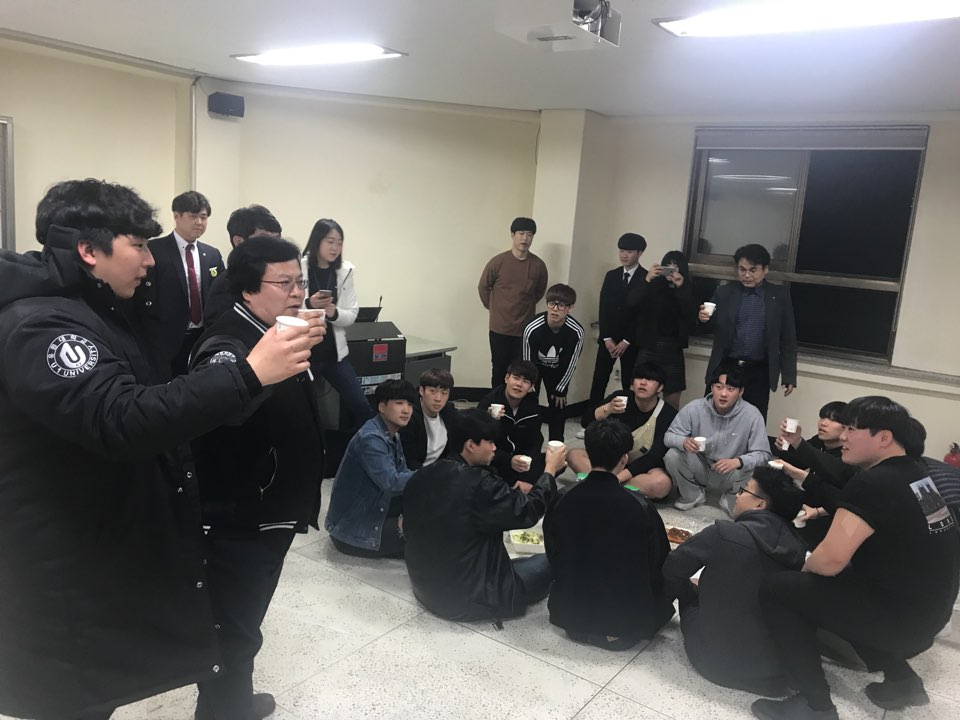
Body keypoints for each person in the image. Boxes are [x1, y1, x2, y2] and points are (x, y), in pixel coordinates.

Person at [0, 179, 313, 720]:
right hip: (58, 550)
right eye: (140, 246)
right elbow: (121, 417)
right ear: (88, 250)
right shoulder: (43, 323)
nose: (151, 260)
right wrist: (249, 374)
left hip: (93, 531)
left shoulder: (98, 307)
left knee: (94, 684)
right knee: (71, 689)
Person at [753, 397, 960, 720]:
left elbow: (829, 561)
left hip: (902, 621)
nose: (843, 436)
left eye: (851, 429)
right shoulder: (917, 472)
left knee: (779, 590)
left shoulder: (874, 482)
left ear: (884, 437)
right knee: (844, 588)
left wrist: (801, 574)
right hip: (930, 614)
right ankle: (902, 682)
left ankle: (814, 706)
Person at [188, 236, 326, 720]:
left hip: (272, 510)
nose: (297, 292)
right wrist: (261, 373)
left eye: (300, 281)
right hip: (241, 517)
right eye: (284, 283)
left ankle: (233, 703)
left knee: (244, 620)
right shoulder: (227, 342)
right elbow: (215, 405)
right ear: (248, 289)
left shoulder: (275, 331)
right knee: (234, 626)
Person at [402, 409, 565, 621]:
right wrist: (550, 470)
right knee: (554, 559)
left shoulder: (424, 474)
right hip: (470, 598)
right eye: (490, 442)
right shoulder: (481, 484)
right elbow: (528, 511)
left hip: (426, 587)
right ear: (470, 445)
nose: (494, 448)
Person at [663, 467, 806, 696]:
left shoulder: (724, 533)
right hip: (770, 672)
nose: (737, 496)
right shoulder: (798, 548)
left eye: (743, 490)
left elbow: (672, 569)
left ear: (760, 504)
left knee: (688, 591)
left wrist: (692, 594)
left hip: (714, 663)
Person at [544, 418, 674, 650]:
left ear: (589, 454)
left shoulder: (563, 497)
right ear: (624, 459)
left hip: (571, 619)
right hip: (625, 628)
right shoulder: (640, 506)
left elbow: (553, 552)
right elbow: (659, 561)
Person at [698, 243, 798, 421]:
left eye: (753, 270)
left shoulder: (779, 295)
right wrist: (703, 319)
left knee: (754, 419)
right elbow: (708, 327)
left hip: (759, 369)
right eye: (742, 269)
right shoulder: (725, 292)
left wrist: (789, 375)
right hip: (726, 365)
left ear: (765, 269)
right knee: (713, 417)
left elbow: (788, 338)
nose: (746, 275)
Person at [325, 379, 418, 558]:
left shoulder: (392, 435)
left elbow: (403, 473)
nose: (406, 410)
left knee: (431, 510)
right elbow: (392, 483)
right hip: (353, 532)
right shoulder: (371, 438)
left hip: (373, 509)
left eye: (409, 404)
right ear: (382, 407)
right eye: (399, 403)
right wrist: (430, 474)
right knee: (427, 531)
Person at [137, 190, 224, 378]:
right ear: (176, 216)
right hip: (165, 339)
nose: (199, 222)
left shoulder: (212, 255)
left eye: (204, 217)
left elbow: (220, 294)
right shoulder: (154, 250)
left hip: (203, 337)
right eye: (193, 216)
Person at [663, 365, 771, 513]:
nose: (723, 394)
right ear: (711, 387)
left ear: (741, 391)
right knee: (672, 455)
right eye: (719, 387)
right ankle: (692, 495)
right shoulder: (694, 408)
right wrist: (684, 442)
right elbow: (669, 436)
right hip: (701, 465)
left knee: (753, 466)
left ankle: (731, 497)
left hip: (731, 472)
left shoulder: (752, 415)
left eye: (730, 389)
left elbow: (764, 454)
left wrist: (739, 461)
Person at [301, 217, 373, 427]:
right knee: (304, 411)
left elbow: (351, 315)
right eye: (330, 241)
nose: (335, 248)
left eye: (339, 243)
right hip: (305, 355)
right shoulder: (298, 267)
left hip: (335, 355)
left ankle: (366, 444)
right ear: (317, 240)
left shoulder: (345, 271)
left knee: (361, 405)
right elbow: (285, 311)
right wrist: (309, 303)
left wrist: (333, 313)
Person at [567, 362, 676, 499]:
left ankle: (600, 484)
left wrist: (616, 478)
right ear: (632, 384)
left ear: (660, 387)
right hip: (611, 460)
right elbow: (586, 422)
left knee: (662, 483)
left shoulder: (667, 414)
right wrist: (607, 409)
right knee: (573, 455)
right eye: (639, 378)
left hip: (641, 468)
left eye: (650, 379)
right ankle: (620, 489)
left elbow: (654, 457)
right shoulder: (620, 398)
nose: (643, 383)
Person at [582, 233, 648, 436]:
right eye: (621, 251)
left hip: (631, 342)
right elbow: (603, 307)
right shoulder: (611, 275)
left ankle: (626, 426)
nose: (624, 255)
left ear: (639, 253)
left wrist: (627, 341)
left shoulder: (646, 277)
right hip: (608, 339)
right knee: (599, 380)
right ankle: (590, 424)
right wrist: (606, 337)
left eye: (629, 251)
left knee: (630, 383)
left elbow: (643, 314)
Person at [478, 217, 549, 387]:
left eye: (529, 234)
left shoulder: (538, 265)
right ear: (512, 235)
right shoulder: (498, 262)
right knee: (499, 369)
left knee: (521, 372)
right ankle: (497, 402)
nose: (525, 238)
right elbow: (483, 287)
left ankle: (516, 403)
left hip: (525, 329)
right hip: (499, 328)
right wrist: (494, 308)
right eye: (521, 233)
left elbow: (539, 292)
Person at [631, 249, 699, 410]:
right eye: (668, 265)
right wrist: (647, 279)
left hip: (673, 348)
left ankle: (669, 426)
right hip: (649, 345)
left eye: (675, 266)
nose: (671, 270)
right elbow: (632, 303)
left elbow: (691, 316)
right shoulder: (654, 284)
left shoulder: (688, 288)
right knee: (640, 393)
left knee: (672, 400)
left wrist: (681, 287)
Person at [521, 283, 585, 441]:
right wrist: (529, 384)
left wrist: (561, 389)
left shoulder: (576, 331)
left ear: (570, 308)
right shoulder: (532, 327)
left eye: (561, 305)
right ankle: (530, 442)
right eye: (551, 303)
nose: (555, 309)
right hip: (534, 368)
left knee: (558, 405)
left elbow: (571, 363)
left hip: (559, 371)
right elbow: (527, 360)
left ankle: (556, 445)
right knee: (529, 403)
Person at [203, 204, 283, 324]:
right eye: (264, 239)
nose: (273, 246)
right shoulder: (227, 284)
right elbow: (220, 330)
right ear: (239, 242)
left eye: (276, 239)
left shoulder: (273, 277)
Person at [477, 359, 544, 489]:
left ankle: (519, 482)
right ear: (506, 378)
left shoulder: (532, 406)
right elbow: (479, 443)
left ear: (531, 387)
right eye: (516, 378)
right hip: (496, 459)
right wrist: (489, 420)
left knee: (556, 463)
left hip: (520, 461)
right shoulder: (489, 402)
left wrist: (526, 469)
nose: (519, 384)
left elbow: (535, 441)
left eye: (525, 381)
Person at [399, 367, 458, 470]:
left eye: (444, 393)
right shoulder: (409, 417)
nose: (438, 399)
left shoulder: (448, 411)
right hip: (417, 473)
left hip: (440, 470)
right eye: (433, 391)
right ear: (422, 391)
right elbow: (409, 461)